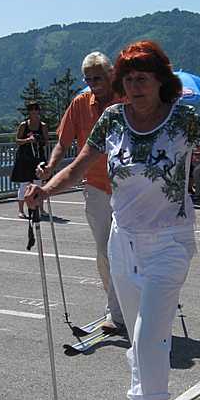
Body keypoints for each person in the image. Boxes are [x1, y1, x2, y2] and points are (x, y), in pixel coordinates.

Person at [25, 40, 200, 400]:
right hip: (123, 243)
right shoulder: (111, 119)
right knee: (138, 340)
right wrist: (45, 189)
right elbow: (79, 168)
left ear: (161, 81)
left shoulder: (184, 120)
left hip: (169, 244)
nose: (135, 86)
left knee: (148, 338)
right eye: (128, 79)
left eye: (143, 78)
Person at [40, 51, 125, 334]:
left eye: (98, 78)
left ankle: (123, 309)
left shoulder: (126, 99)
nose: (93, 84)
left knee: (126, 250)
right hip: (96, 186)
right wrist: (50, 166)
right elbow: (63, 142)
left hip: (129, 188)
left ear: (111, 75)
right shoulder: (80, 103)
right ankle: (116, 309)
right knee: (104, 251)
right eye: (88, 79)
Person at [11, 101, 49, 218]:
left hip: (38, 158)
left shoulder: (43, 125)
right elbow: (17, 140)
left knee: (38, 184)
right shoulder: (24, 125)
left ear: (38, 111)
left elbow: (46, 141)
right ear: (29, 112)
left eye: (36, 109)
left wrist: (39, 140)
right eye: (31, 110)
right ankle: (21, 210)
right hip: (24, 158)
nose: (34, 112)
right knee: (24, 185)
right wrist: (28, 140)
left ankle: (40, 209)